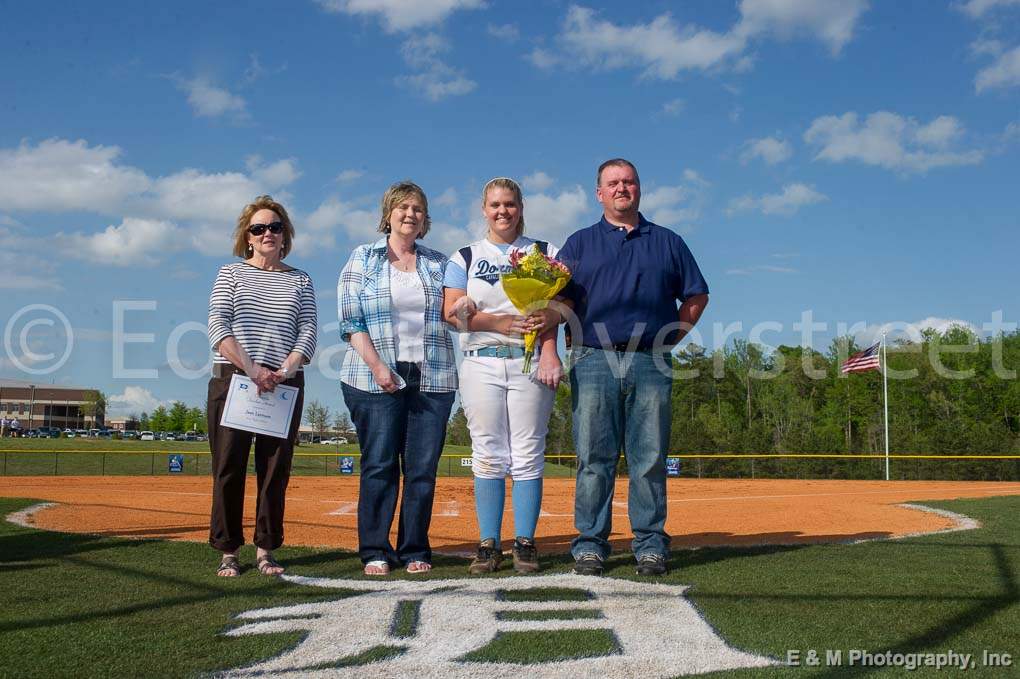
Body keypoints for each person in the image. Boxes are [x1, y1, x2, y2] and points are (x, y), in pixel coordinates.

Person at [556, 159, 709, 577]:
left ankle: (650, 544)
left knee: (649, 457)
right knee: (593, 457)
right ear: (599, 193)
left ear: (639, 189)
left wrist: (669, 338)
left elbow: (696, 296)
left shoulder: (667, 241)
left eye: (629, 182)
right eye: (613, 183)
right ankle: (590, 545)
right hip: (592, 358)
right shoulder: (579, 243)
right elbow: (560, 300)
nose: (622, 188)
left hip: (649, 360)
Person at [442, 177, 563, 574]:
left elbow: (556, 310)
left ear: (520, 207)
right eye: (495, 204)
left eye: (509, 204)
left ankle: (524, 542)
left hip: (529, 361)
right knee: (488, 453)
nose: (502, 211)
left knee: (528, 452)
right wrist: (495, 321)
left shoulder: (544, 252)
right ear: (483, 209)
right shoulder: (465, 256)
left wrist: (549, 352)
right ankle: (488, 543)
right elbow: (452, 314)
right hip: (482, 361)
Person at [339, 181, 457, 576]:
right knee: (380, 465)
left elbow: (454, 314)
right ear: (388, 214)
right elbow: (351, 320)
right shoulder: (363, 258)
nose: (410, 214)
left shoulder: (439, 263)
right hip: (372, 376)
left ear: (426, 220)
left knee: (422, 469)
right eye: (403, 208)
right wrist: (378, 367)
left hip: (432, 378)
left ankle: (414, 549)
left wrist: (472, 306)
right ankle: (374, 548)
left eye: (418, 209)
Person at [206, 195, 317, 577]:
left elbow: (307, 332)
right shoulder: (230, 274)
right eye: (259, 228)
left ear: (285, 234)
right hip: (235, 379)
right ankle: (228, 551)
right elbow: (219, 327)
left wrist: (282, 371)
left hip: (283, 384)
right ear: (247, 237)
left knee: (274, 471)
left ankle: (266, 549)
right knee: (229, 468)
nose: (267, 233)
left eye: (275, 227)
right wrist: (254, 370)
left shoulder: (300, 279)